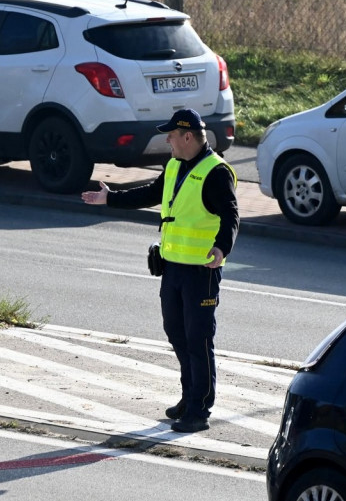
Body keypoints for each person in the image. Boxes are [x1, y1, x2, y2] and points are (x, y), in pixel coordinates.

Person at [81, 108, 239, 434]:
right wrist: (110, 199)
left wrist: (222, 248)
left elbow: (231, 215)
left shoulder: (216, 172)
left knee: (199, 339)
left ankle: (199, 410)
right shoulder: (174, 166)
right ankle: (188, 396)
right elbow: (151, 194)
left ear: (187, 136)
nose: (166, 139)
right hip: (173, 268)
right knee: (176, 332)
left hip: (202, 271)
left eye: (170, 134)